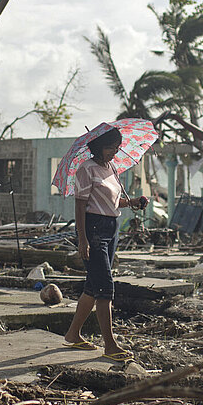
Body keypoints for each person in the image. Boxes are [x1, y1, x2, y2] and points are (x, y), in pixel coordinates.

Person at [63, 127, 148, 362]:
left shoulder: (111, 168)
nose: (115, 152)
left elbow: (112, 202)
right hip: (93, 229)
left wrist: (133, 202)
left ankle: (73, 334)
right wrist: (83, 239)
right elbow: (80, 206)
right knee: (105, 289)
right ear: (98, 147)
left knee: (92, 286)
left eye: (117, 147)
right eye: (111, 147)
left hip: (112, 229)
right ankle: (110, 345)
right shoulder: (85, 170)